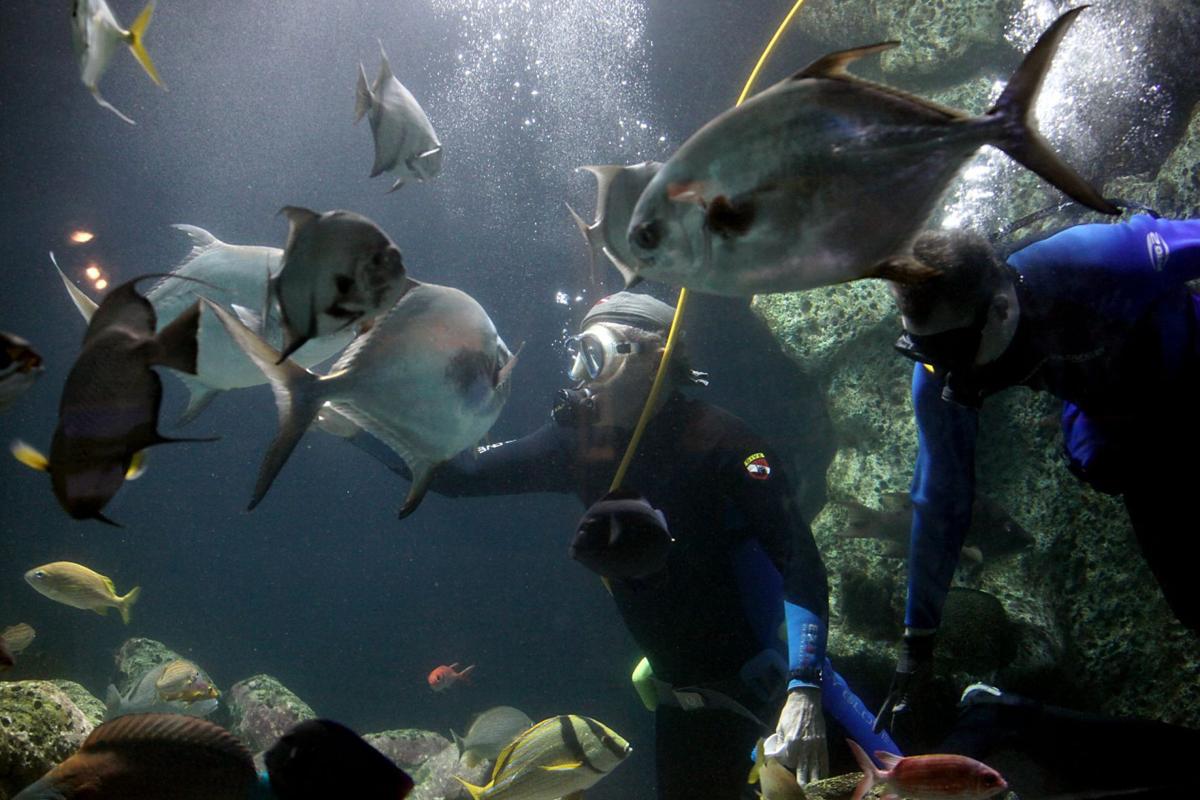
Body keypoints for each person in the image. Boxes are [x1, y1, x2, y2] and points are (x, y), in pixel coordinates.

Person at [336, 291, 896, 800]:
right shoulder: (578, 443)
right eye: (576, 355)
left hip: (782, 687)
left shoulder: (724, 441)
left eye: (593, 354)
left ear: (649, 353)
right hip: (684, 707)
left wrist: (803, 687)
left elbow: (799, 561)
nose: (580, 374)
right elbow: (462, 475)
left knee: (911, 788)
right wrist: (358, 426)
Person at [877, 214, 1200, 737]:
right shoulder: (942, 368)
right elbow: (941, 498)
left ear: (1001, 309)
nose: (943, 373)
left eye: (950, 353)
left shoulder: (1097, 258)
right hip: (1132, 440)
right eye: (922, 352)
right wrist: (917, 645)